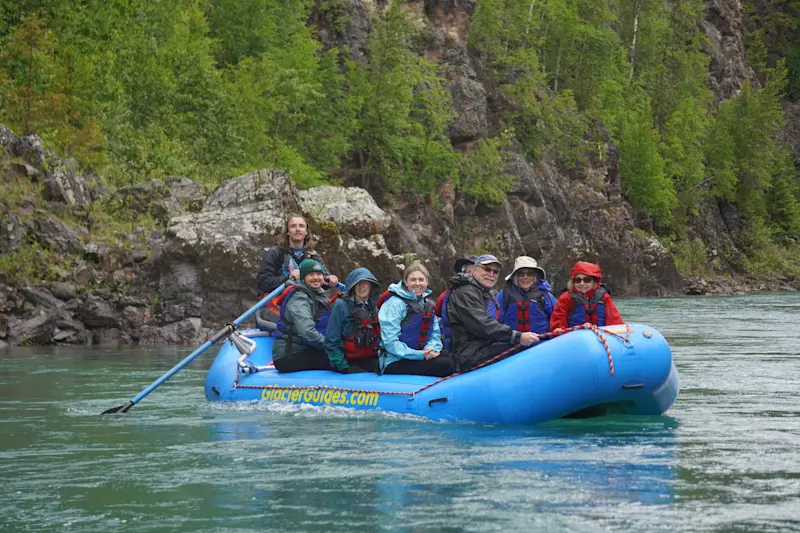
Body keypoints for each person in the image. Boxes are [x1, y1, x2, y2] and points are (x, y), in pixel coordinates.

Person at [446, 254, 539, 371]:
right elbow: (482, 325)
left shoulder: (483, 292)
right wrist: (517, 336)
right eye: (487, 269)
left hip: (482, 347)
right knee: (523, 347)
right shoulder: (465, 293)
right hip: (468, 354)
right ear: (474, 270)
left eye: (495, 272)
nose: (491, 274)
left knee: (527, 345)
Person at [378, 262, 455, 377]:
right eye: (413, 280)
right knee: (445, 365)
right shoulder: (395, 303)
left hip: (419, 354)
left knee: (447, 355)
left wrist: (431, 350)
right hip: (394, 360)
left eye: (421, 279)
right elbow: (390, 342)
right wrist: (419, 355)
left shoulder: (427, 304)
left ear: (426, 282)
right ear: (406, 282)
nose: (417, 283)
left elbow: (435, 334)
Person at [272, 259, 334, 373]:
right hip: (289, 355)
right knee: (336, 359)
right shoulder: (298, 298)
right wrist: (331, 345)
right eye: (311, 274)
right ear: (303, 279)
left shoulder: (318, 293)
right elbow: (307, 332)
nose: (316, 277)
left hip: (307, 348)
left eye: (319, 274)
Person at [256, 215, 339, 295]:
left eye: (301, 226)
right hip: (280, 301)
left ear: (306, 232)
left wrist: (329, 279)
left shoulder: (313, 255)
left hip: (308, 300)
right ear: (288, 231)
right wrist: (289, 278)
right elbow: (263, 282)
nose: (298, 229)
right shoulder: (274, 253)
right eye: (293, 226)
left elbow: (324, 279)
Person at [325, 267, 381, 374]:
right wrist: (344, 367)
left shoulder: (373, 307)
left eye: (365, 283)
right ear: (352, 287)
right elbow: (331, 341)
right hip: (347, 361)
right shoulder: (340, 305)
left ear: (371, 285)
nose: (361, 286)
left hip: (369, 359)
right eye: (358, 283)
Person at [549, 261, 624, 331]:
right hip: (574, 338)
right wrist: (559, 331)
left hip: (600, 336)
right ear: (573, 282)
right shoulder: (566, 298)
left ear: (594, 282)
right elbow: (558, 321)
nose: (582, 283)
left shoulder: (604, 297)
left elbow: (615, 320)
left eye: (587, 280)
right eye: (578, 280)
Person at [496, 256, 557, 335]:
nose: (525, 277)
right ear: (515, 277)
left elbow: (557, 316)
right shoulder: (505, 294)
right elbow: (493, 319)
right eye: (521, 274)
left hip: (540, 342)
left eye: (529, 274)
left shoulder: (545, 295)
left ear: (535, 277)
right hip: (513, 342)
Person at [434, 256, 477, 352]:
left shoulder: (449, 291)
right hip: (462, 348)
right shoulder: (457, 293)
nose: (471, 274)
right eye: (469, 271)